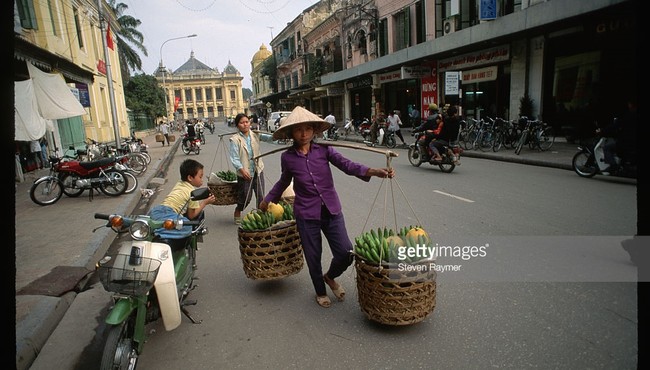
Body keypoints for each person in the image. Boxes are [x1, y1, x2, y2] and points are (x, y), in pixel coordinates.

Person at [258, 106, 395, 308]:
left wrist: (374, 171)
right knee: (313, 256)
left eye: (307, 129)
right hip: (306, 214)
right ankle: (320, 291)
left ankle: (330, 277)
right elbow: (283, 181)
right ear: (291, 133)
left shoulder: (324, 149)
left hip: (331, 210)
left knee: (346, 252)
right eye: (298, 130)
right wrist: (268, 199)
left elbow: (347, 165)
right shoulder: (288, 157)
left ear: (314, 130)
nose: (304, 134)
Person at [148, 159, 216, 241]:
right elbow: (192, 215)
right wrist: (205, 203)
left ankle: (152, 230)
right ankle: (159, 234)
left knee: (153, 224)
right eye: (200, 177)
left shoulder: (180, 183)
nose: (202, 180)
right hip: (170, 214)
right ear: (190, 177)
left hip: (156, 210)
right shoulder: (192, 192)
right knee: (187, 227)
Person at [229, 113, 265, 225]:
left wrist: (279, 135)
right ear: (237, 125)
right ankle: (238, 210)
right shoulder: (235, 140)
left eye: (246, 122)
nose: (245, 124)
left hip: (258, 170)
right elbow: (234, 158)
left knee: (261, 195)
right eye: (242, 123)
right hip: (245, 173)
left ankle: (260, 216)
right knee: (245, 198)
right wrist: (241, 170)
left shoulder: (255, 135)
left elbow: (269, 138)